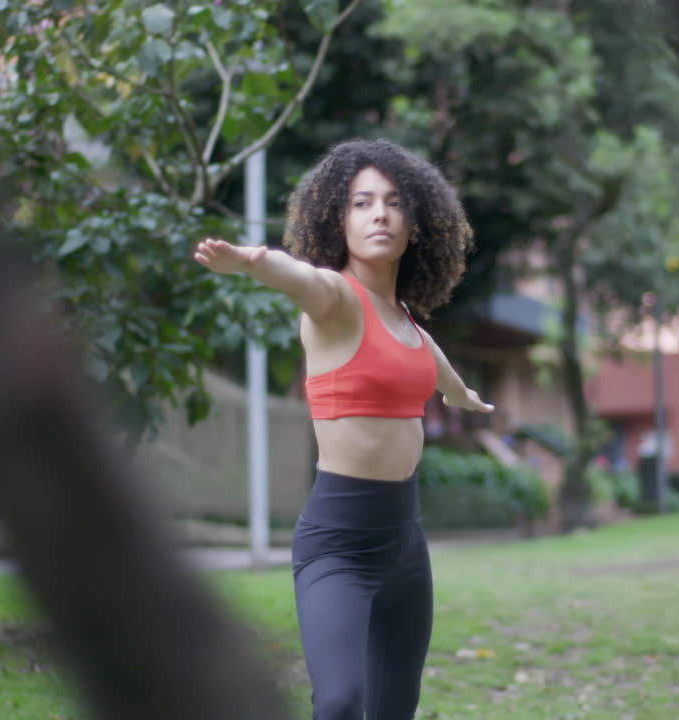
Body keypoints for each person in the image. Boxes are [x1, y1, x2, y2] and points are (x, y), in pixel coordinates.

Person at [193, 138, 494, 720]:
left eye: (393, 202)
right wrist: (253, 262)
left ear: (415, 223)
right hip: (339, 543)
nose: (379, 213)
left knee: (394, 707)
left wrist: (460, 392)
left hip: (406, 542)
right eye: (361, 203)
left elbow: (429, 358)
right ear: (339, 219)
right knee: (339, 702)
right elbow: (296, 276)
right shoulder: (334, 298)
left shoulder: (405, 320)